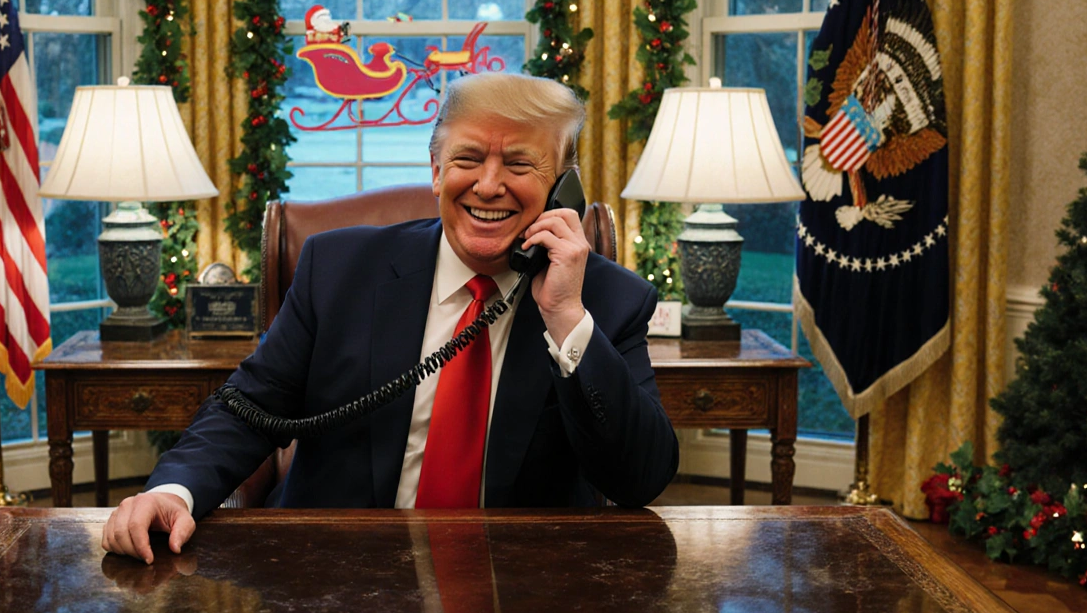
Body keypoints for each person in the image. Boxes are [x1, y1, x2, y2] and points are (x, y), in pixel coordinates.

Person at [102, 72, 678, 563]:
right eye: (468, 159)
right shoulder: (339, 268)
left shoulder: (604, 299)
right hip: (331, 574)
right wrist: (173, 492)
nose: (489, 184)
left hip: (521, 589)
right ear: (435, 169)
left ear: (561, 190)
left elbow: (640, 477)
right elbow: (250, 408)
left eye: (521, 164)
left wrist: (564, 317)